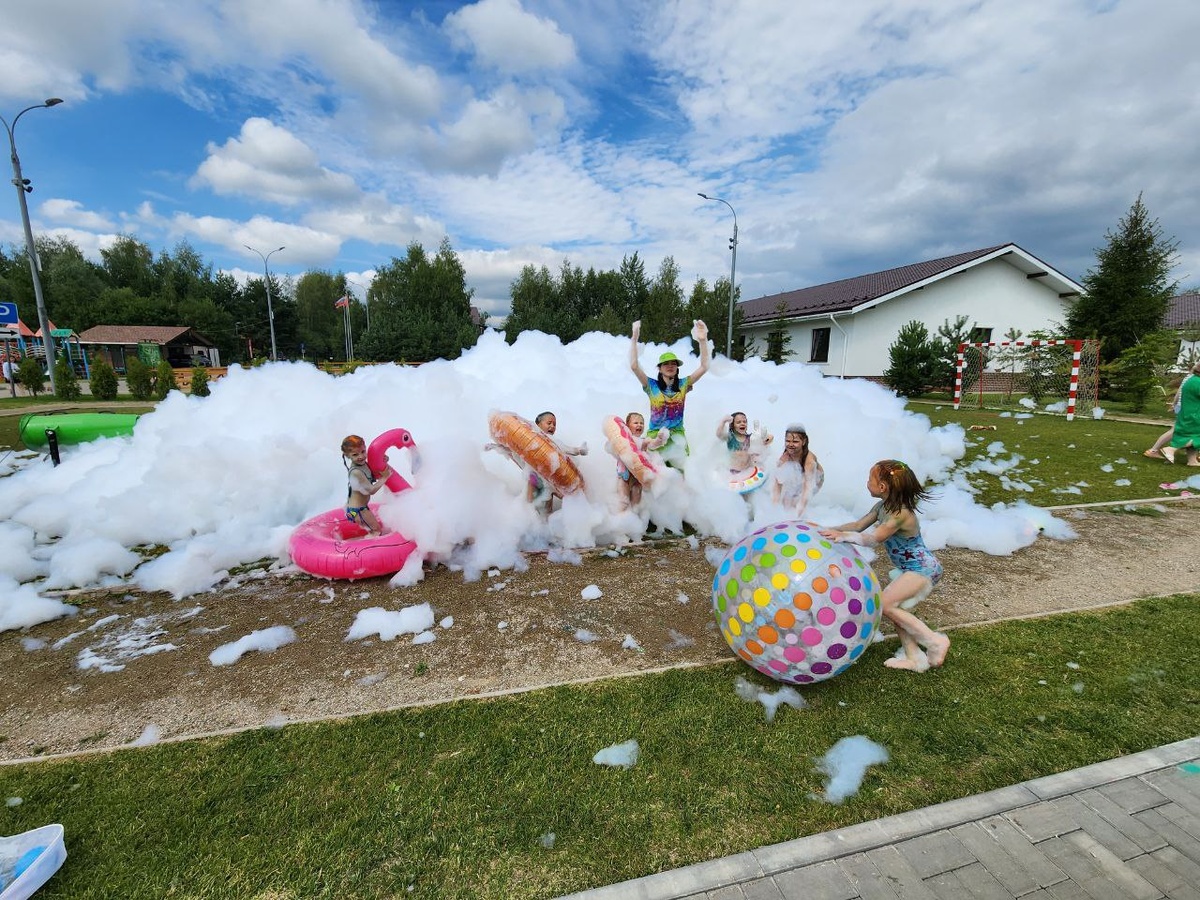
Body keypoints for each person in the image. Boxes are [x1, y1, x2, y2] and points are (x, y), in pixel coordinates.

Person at [819, 459, 950, 672]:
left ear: (882, 487)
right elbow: (858, 525)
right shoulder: (882, 507)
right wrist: (825, 530)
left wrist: (842, 536)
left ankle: (935, 641)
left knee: (885, 604)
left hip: (923, 569)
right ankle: (914, 658)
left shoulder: (900, 514)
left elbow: (874, 538)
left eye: (870, 478)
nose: (866, 482)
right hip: (911, 569)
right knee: (893, 608)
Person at [629, 320, 710, 467]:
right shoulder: (651, 385)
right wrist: (634, 338)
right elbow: (634, 366)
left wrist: (703, 341)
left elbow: (704, 367)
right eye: (666, 364)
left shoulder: (684, 384)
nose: (670, 366)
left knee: (682, 476)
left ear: (677, 368)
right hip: (655, 437)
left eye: (674, 364)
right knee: (655, 477)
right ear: (659, 368)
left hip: (677, 438)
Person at [525, 411, 588, 516]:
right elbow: (516, 450)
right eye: (549, 423)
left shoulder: (553, 441)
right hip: (534, 475)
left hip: (549, 477)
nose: (552, 426)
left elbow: (567, 449)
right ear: (538, 425)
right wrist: (500, 447)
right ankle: (528, 517)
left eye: (554, 424)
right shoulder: (530, 438)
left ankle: (547, 520)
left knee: (548, 500)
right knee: (531, 497)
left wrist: (580, 450)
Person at [611, 412, 669, 510]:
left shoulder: (643, 441)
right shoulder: (623, 440)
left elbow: (653, 443)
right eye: (636, 423)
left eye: (641, 423)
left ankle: (635, 521)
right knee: (623, 501)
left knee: (636, 503)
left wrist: (659, 439)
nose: (639, 425)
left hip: (637, 479)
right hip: (624, 477)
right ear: (627, 426)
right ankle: (620, 520)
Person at [341, 434, 393, 537]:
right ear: (348, 456)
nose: (361, 456)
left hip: (361, 507)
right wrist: (384, 478)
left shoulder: (363, 464)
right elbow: (371, 490)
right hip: (358, 510)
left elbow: (372, 474)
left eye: (363, 452)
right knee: (376, 531)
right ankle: (357, 550)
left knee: (374, 530)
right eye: (355, 455)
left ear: (365, 448)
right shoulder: (356, 472)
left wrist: (383, 460)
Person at [770, 423, 824, 519]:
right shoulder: (786, 456)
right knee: (784, 503)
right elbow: (778, 481)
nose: (790, 444)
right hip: (800, 474)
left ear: (803, 442)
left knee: (796, 504)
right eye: (787, 441)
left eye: (795, 441)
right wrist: (774, 506)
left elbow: (807, 489)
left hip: (815, 479)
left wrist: (798, 513)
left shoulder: (809, 462)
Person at [1168, 360, 1200, 467]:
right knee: (1195, 437)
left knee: (1191, 437)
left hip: (1188, 414)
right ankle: (1171, 449)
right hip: (1195, 416)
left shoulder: (1192, 379)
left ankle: (1192, 461)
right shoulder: (1198, 383)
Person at [1144, 381, 1183, 463]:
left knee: (1178, 430)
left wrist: (1175, 404)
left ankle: (1154, 450)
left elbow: (1179, 391)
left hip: (1181, 406)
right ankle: (1157, 450)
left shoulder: (1190, 376)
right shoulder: (1194, 378)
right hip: (1188, 408)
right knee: (1179, 430)